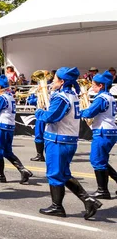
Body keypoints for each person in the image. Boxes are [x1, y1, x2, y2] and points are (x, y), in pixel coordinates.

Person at [36, 67, 102, 219]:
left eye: (54, 79)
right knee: (64, 174)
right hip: (68, 140)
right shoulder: (71, 95)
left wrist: (39, 111)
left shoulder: (62, 97)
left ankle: (57, 206)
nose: (52, 81)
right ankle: (88, 200)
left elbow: (51, 117)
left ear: (62, 81)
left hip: (58, 140)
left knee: (54, 174)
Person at [0, 75, 33, 184]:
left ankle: (0, 175)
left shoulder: (2, 97)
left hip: (1, 126)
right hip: (9, 126)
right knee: (7, 152)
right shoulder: (10, 96)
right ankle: (22, 170)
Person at [80, 70, 117, 199]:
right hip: (109, 131)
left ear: (101, 85)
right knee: (102, 160)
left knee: (97, 160)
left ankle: (103, 191)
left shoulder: (101, 98)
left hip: (103, 132)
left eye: (94, 85)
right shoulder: (110, 96)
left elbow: (90, 113)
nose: (92, 87)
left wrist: (80, 111)